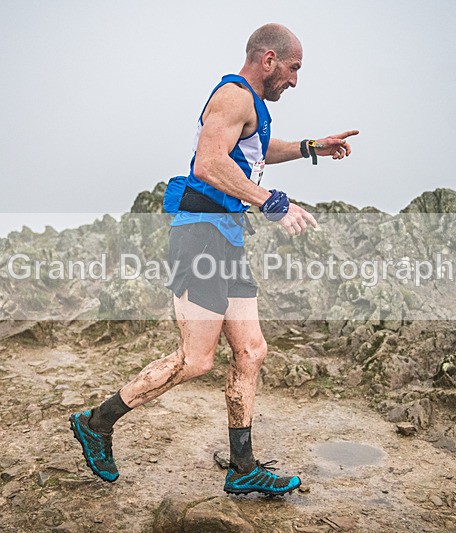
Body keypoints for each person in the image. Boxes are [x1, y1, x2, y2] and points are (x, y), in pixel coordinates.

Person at [69, 23, 358, 496]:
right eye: (293, 68)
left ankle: (243, 468)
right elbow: (209, 162)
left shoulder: (254, 109)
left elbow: (258, 151)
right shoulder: (233, 95)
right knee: (197, 359)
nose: (295, 79)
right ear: (268, 59)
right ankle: (97, 422)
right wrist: (272, 202)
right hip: (200, 236)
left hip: (227, 238)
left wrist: (311, 148)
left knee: (251, 350)